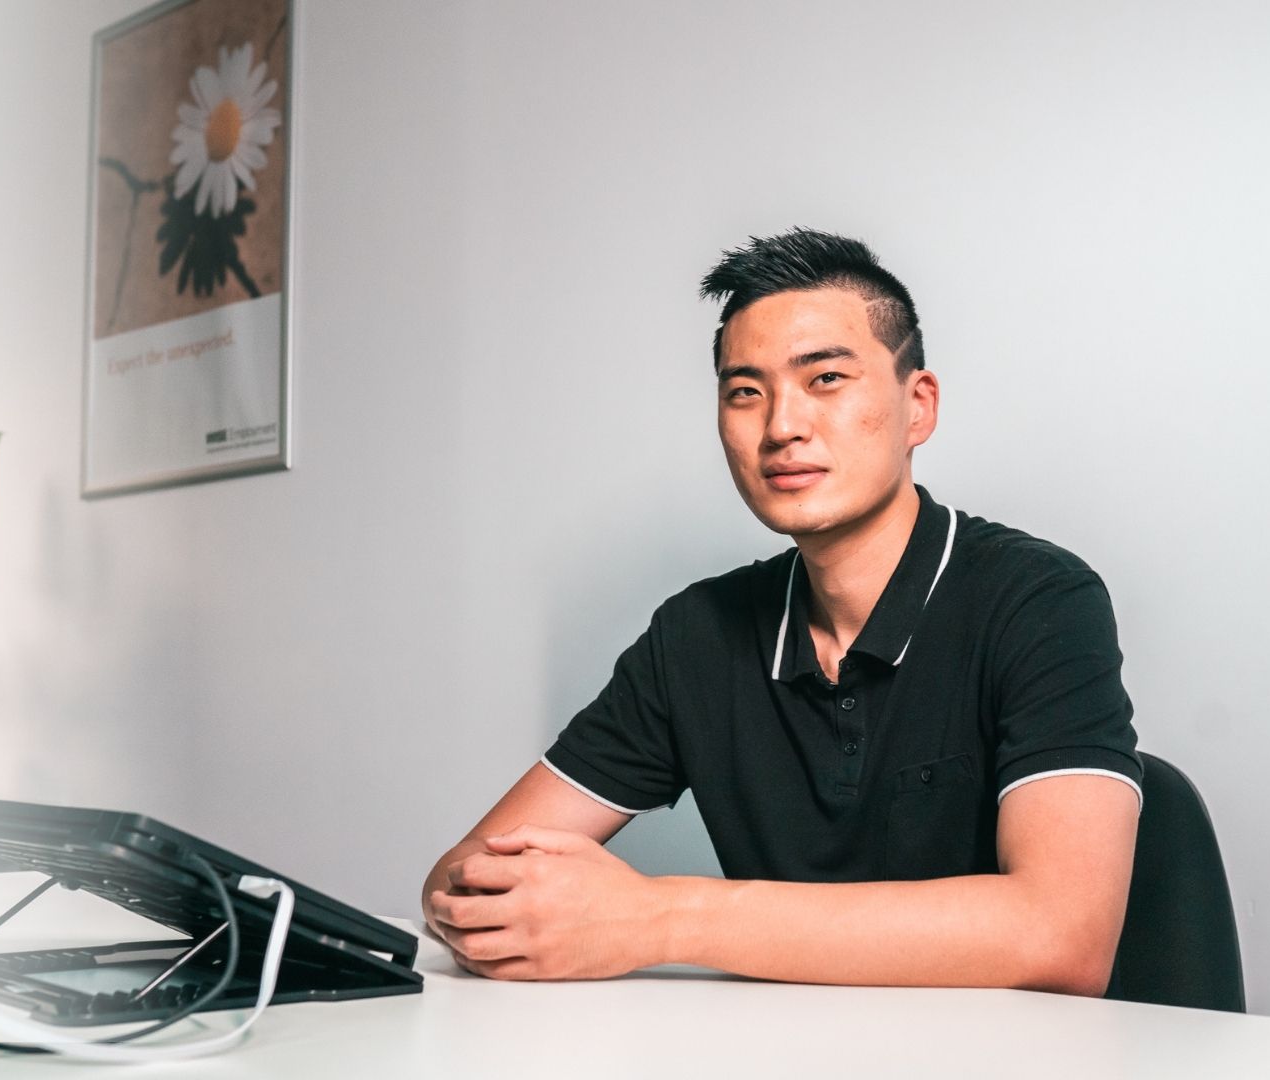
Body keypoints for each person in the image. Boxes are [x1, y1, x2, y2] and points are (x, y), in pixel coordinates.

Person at [419, 228, 1143, 993]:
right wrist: (505, 904)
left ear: (918, 406)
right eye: (745, 392)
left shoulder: (1037, 601)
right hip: (768, 1048)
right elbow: (458, 879)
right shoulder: (697, 636)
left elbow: (1062, 936)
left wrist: (661, 918)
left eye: (825, 378)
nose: (781, 427)